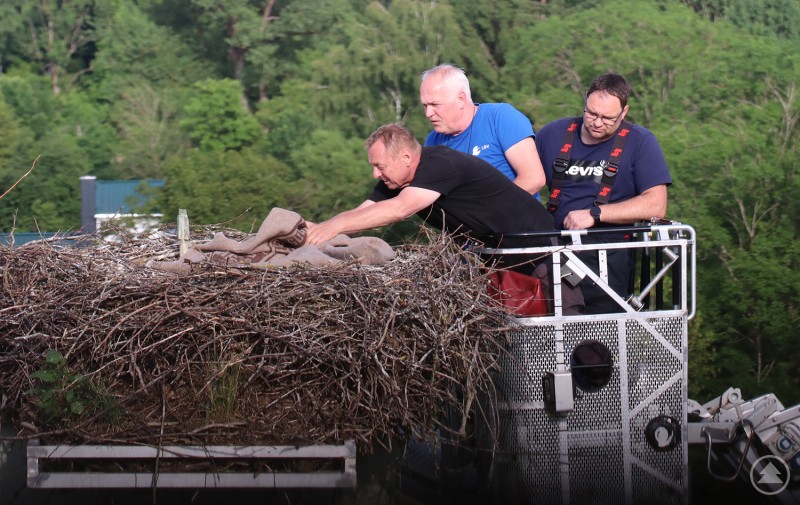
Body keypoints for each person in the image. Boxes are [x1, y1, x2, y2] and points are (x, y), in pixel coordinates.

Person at [535, 71, 672, 314]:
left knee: (597, 336)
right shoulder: (552, 134)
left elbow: (656, 204)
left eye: (608, 118)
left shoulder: (640, 142)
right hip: (554, 249)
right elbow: (525, 179)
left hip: (608, 255)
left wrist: (595, 213)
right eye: (591, 113)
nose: (597, 123)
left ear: (624, 112)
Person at [419, 64, 546, 198]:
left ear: (460, 99)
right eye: (425, 106)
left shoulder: (501, 117)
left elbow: (533, 179)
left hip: (513, 217)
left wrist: (484, 213)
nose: (428, 113)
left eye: (434, 104)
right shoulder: (432, 141)